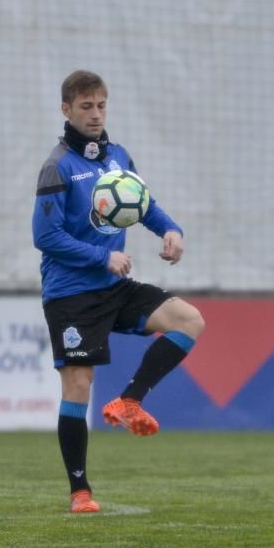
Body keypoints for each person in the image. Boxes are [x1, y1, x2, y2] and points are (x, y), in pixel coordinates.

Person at [32, 70, 205, 513]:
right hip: (72, 294)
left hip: (115, 287)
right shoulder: (57, 166)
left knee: (189, 320)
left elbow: (142, 205)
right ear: (66, 109)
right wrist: (100, 256)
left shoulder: (119, 157)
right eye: (86, 106)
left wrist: (170, 229)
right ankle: (80, 492)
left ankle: (130, 401)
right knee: (78, 383)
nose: (95, 114)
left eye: (101, 105)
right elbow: (45, 236)